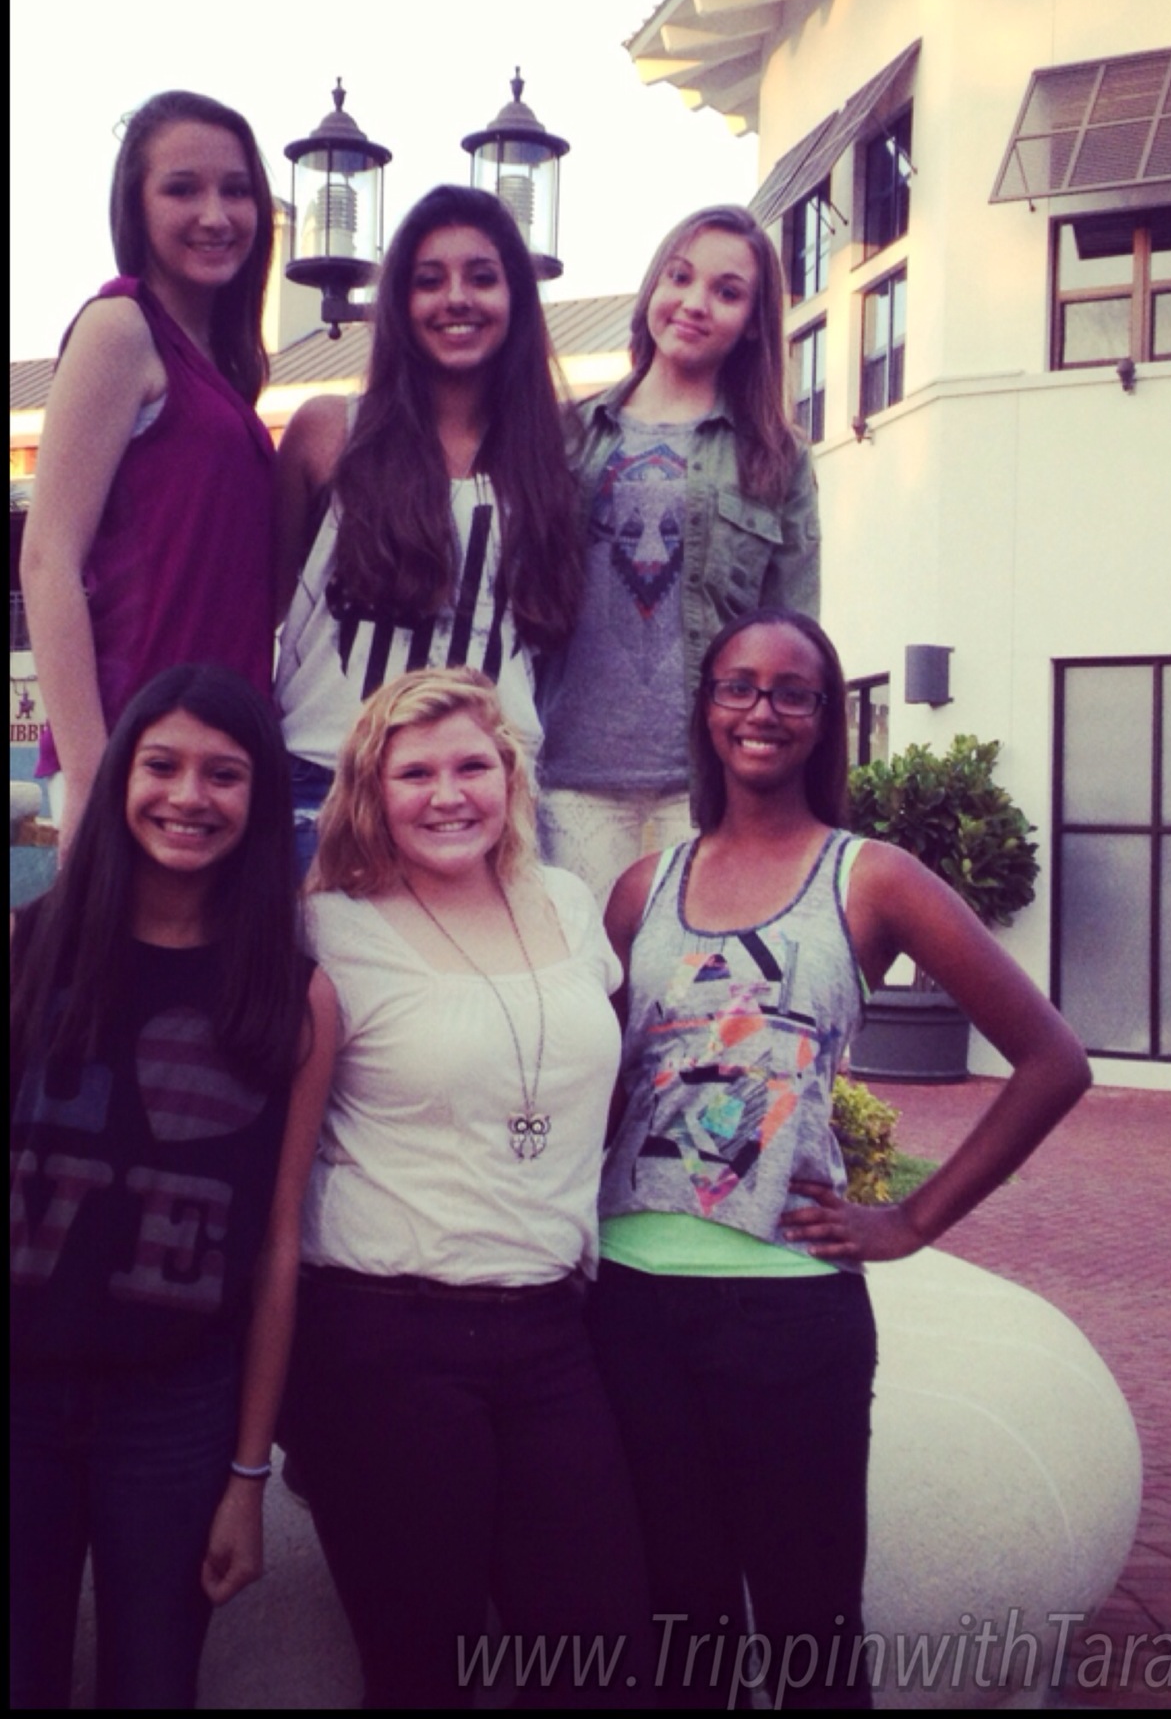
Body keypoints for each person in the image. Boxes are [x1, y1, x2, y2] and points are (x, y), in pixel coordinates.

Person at [594, 608, 1091, 1710]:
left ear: (823, 720)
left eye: (792, 691)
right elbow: (608, 1083)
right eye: (737, 685)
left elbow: (1052, 1060)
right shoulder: (641, 888)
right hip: (630, 1306)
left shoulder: (871, 878)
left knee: (810, 1634)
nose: (761, 710)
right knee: (677, 1635)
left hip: (788, 1312)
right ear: (706, 707)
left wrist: (908, 1221)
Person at [287, 667, 649, 1709]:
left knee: (599, 1666)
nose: (448, 794)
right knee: (420, 1681)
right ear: (371, 789)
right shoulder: (329, 929)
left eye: (471, 766)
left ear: (510, 775)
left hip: (552, 1331)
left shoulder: (568, 904)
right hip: (385, 1338)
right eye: (414, 773)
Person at [9, 664, 337, 1710]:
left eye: (224, 773)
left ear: (262, 796)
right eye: (161, 764)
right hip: (18, 1391)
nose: (188, 795)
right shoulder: (27, 947)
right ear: (118, 777)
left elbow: (277, 1241)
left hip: (177, 1409)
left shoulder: (293, 995)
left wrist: (247, 1474)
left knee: (153, 1685)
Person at [274, 183, 581, 876]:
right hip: (329, 789)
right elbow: (261, 606)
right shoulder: (329, 433)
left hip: (487, 802)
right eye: (429, 280)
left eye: (482, 277)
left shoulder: (553, 455)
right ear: (398, 301)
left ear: (516, 298)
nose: (457, 298)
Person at [537, 204, 820, 911]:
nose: (695, 303)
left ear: (752, 321)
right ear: (653, 288)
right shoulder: (566, 436)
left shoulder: (777, 456)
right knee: (586, 971)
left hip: (704, 788)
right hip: (570, 778)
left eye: (726, 292)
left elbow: (795, 636)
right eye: (680, 277)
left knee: (691, 974)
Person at [22, 92, 279, 855]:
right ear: (136, 206)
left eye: (237, 190)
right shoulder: (120, 328)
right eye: (182, 189)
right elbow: (48, 559)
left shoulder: (224, 366)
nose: (215, 214)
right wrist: (91, 772)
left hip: (217, 750)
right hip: (135, 756)